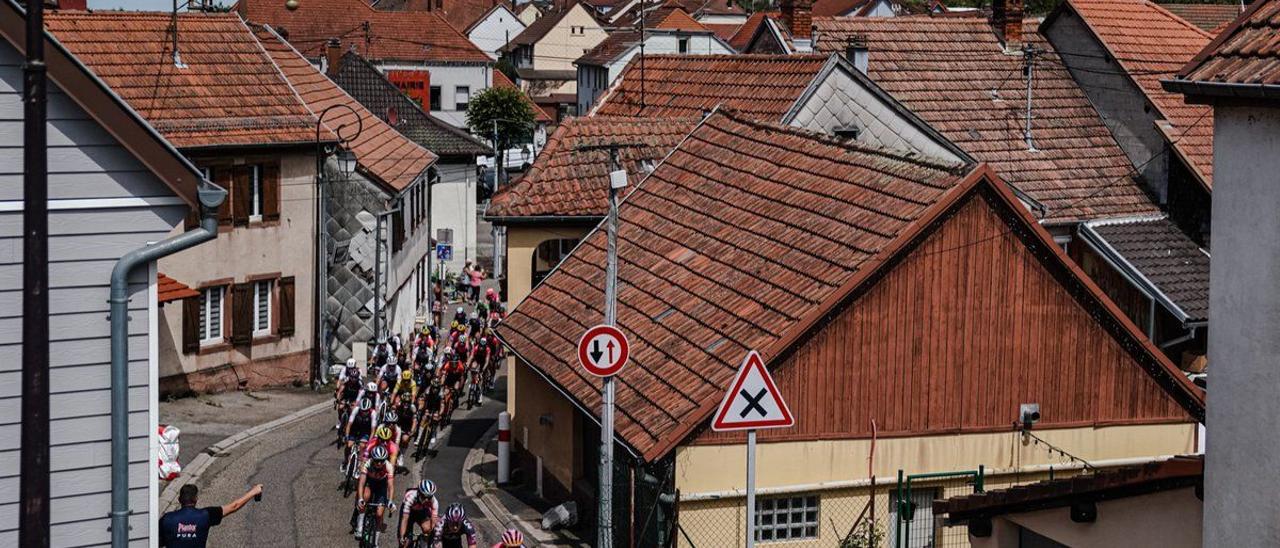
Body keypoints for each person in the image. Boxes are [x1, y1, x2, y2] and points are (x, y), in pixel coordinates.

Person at [159, 483, 262, 547]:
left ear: (179, 500)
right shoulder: (206, 515)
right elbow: (234, 506)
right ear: (195, 499)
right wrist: (254, 491)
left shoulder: (167, 519)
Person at [352, 445, 396, 540]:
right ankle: (360, 526)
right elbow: (362, 483)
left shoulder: (388, 466)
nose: (379, 463)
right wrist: (360, 499)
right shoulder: (367, 464)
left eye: (381, 460)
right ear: (372, 459)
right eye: (376, 460)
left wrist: (391, 501)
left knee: (379, 514)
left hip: (381, 485)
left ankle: (375, 542)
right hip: (370, 482)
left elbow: (390, 486)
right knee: (366, 497)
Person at [398, 479, 439, 547]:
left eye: (429, 497)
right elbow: (405, 519)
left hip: (421, 510)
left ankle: (422, 541)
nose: (426, 500)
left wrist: (429, 534)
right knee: (404, 543)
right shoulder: (410, 497)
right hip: (409, 512)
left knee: (428, 528)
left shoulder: (434, 501)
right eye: (424, 497)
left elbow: (434, 519)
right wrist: (402, 537)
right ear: (419, 493)